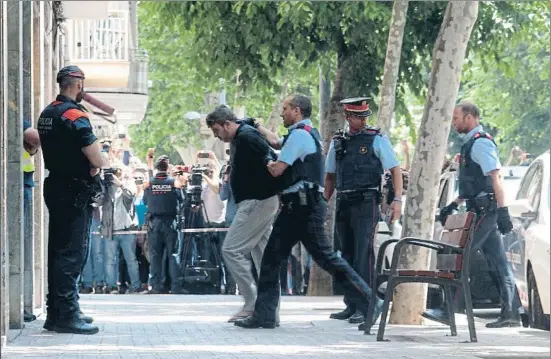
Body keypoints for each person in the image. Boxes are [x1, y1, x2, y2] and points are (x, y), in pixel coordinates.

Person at [234, 94, 380, 329]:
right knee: (272, 259)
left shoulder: (300, 136)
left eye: (285, 108)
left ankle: (371, 302)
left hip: (304, 208)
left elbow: (277, 170)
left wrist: (263, 161)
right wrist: (257, 127)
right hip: (296, 207)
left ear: (297, 111)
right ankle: (264, 315)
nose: (282, 113)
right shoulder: (302, 133)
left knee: (327, 260)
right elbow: (276, 142)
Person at [37, 65, 105, 334]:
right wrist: (101, 162)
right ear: (77, 86)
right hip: (75, 190)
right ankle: (67, 314)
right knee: (72, 253)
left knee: (57, 251)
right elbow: (97, 157)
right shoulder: (75, 115)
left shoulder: (47, 113)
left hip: (55, 185)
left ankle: (56, 312)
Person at [323, 97, 403, 329]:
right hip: (345, 200)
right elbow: (330, 176)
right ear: (348, 117)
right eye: (358, 117)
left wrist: (397, 199)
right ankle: (351, 303)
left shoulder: (376, 138)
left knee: (362, 254)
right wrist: (322, 201)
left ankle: (365, 307)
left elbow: (395, 168)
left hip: (366, 201)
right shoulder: (338, 142)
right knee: (345, 254)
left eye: (365, 116)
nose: (363, 120)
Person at [440, 102, 521, 328]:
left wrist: (503, 211)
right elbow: (473, 185)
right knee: (498, 262)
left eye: (456, 118)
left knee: (460, 254)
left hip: (486, 210)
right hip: (478, 208)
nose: (454, 123)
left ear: (469, 118)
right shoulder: (468, 145)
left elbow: (496, 178)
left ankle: (446, 310)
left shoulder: (481, 143)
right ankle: (511, 313)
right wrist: (454, 204)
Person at [206, 106, 280, 323]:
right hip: (259, 201)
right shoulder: (243, 134)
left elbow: (272, 159)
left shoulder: (247, 137)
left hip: (258, 201)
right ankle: (268, 312)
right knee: (264, 258)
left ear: (227, 124)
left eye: (217, 131)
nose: (217, 137)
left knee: (231, 250)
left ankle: (252, 302)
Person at [143, 155, 185, 294]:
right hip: (170, 222)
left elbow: (145, 201)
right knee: (173, 255)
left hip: (154, 223)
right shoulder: (174, 183)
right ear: (168, 168)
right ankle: (176, 287)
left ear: (157, 167)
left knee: (155, 256)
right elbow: (183, 199)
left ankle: (156, 287)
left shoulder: (149, 183)